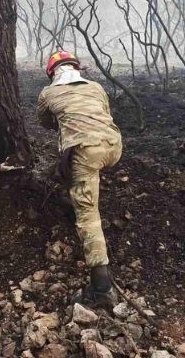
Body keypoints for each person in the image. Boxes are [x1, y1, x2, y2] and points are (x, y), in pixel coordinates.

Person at [37, 51, 123, 307]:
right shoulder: (96, 87)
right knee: (73, 170)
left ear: (52, 73)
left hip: (86, 152)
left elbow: (45, 122)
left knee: (88, 215)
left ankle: (102, 288)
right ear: (77, 68)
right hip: (114, 145)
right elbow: (103, 113)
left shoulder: (48, 93)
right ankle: (74, 191)